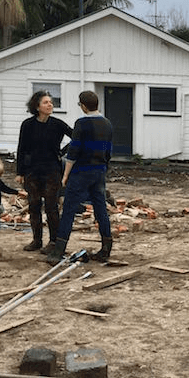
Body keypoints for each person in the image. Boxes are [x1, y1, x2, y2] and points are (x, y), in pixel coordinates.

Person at [46, 90, 114, 266]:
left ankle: (57, 251)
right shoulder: (107, 124)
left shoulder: (81, 124)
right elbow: (108, 152)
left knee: (68, 209)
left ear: (83, 105)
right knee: (100, 209)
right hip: (99, 171)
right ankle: (106, 248)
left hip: (81, 171)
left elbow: (73, 151)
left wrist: (66, 175)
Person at [15, 91, 73, 254]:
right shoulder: (27, 125)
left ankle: (54, 241)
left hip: (52, 171)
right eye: (46, 102)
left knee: (51, 207)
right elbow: (21, 149)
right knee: (34, 206)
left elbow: (76, 137)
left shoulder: (57, 124)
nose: (50, 105)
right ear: (37, 106)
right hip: (32, 171)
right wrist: (20, 172)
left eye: (51, 102)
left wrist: (62, 152)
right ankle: (36, 240)